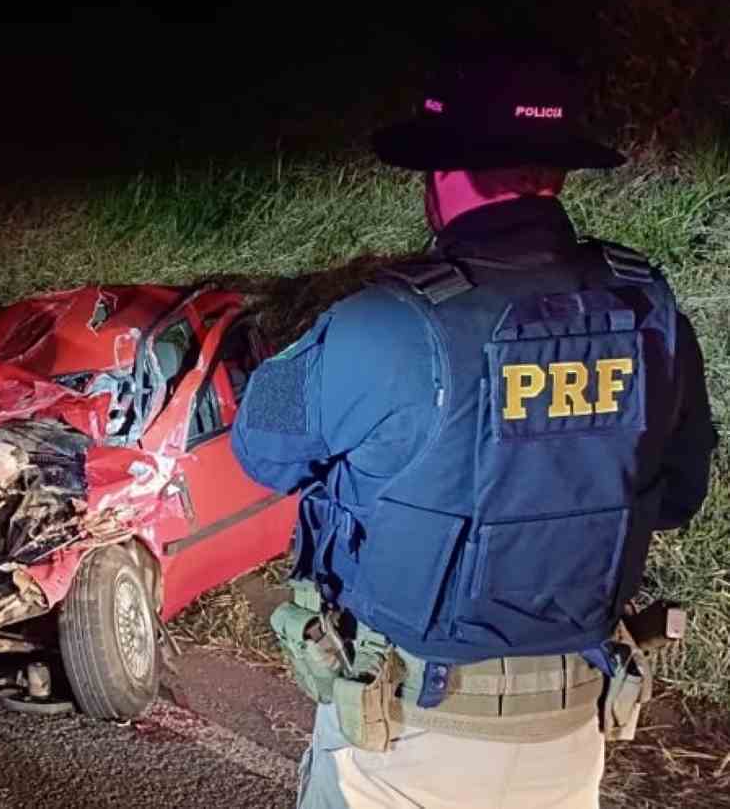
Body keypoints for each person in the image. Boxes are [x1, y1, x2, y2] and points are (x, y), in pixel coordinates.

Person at [230, 51, 717, 808]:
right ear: (555, 175)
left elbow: (263, 454)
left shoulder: (383, 323)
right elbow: (679, 496)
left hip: (406, 735)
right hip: (571, 729)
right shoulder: (649, 313)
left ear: (444, 176)